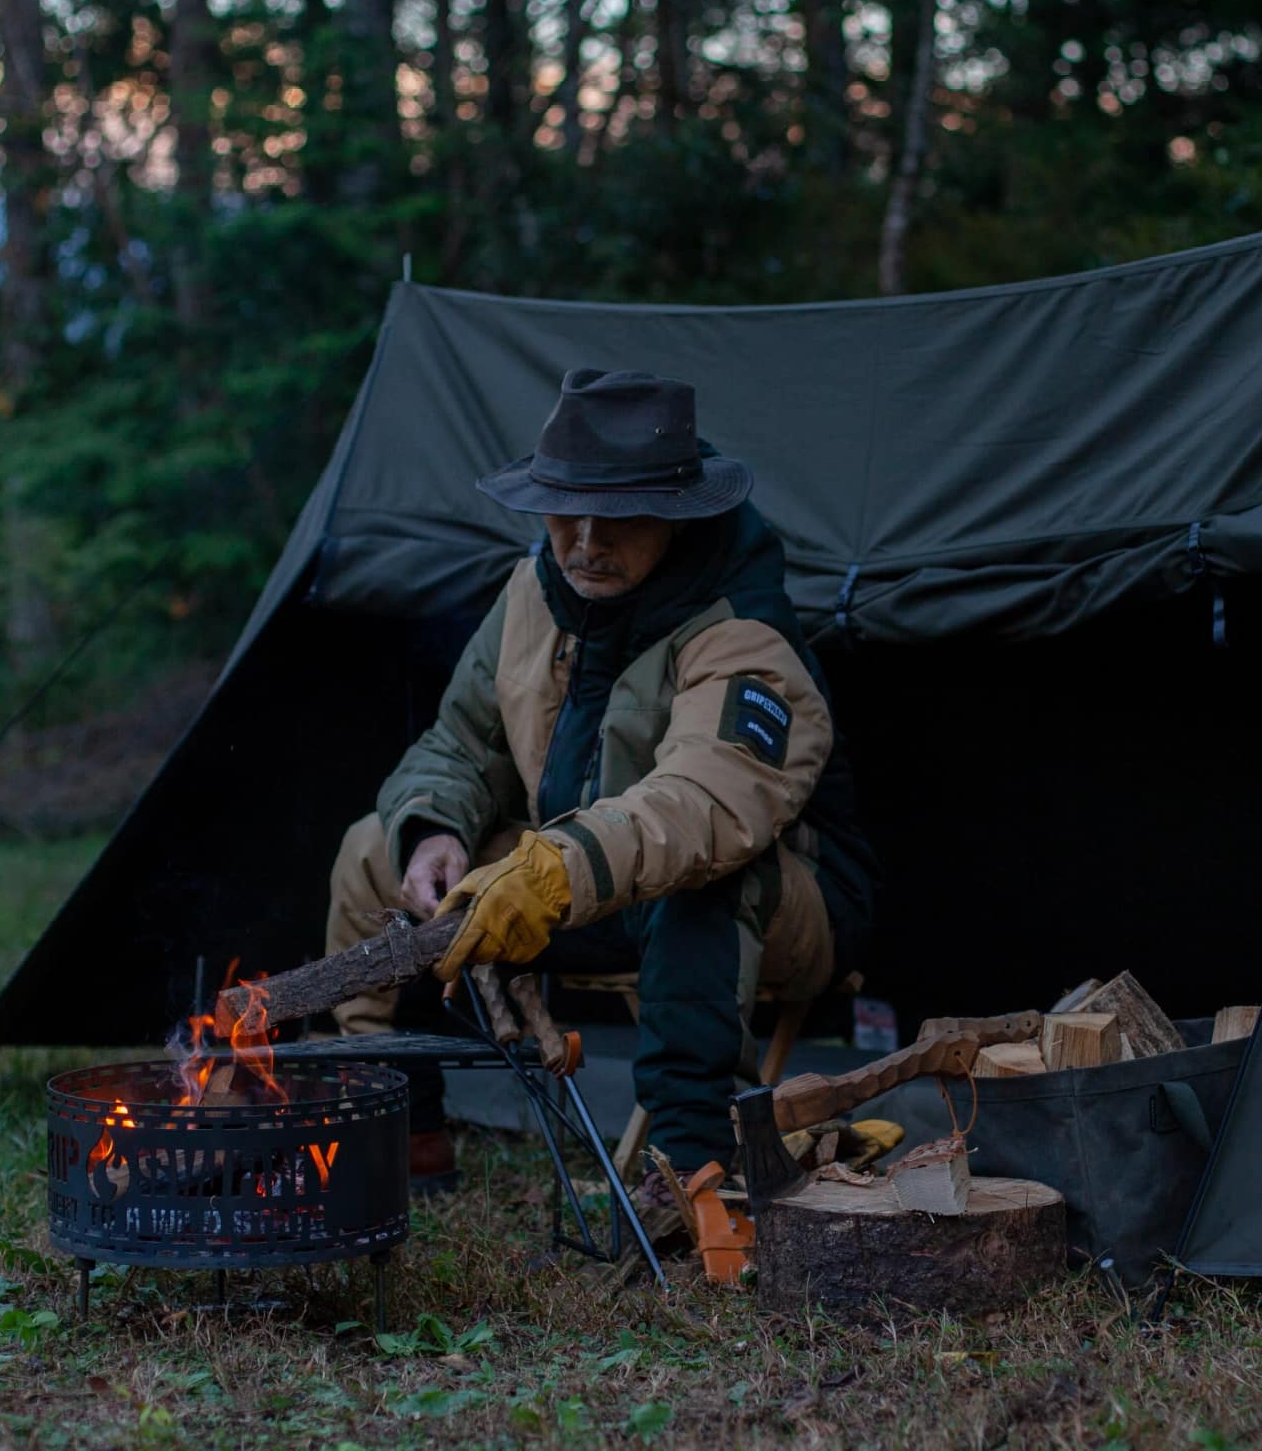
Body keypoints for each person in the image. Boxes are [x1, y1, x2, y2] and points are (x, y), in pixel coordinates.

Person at [325, 367, 876, 1195]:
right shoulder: (533, 592)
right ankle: (399, 1124)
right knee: (374, 846)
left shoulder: (743, 629)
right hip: (583, 891)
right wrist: (433, 829)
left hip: (780, 906)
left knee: (706, 879)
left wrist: (550, 871)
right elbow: (460, 743)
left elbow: (707, 806)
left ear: (679, 516)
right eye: (565, 509)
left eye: (618, 516)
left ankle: (696, 1166)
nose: (585, 539)